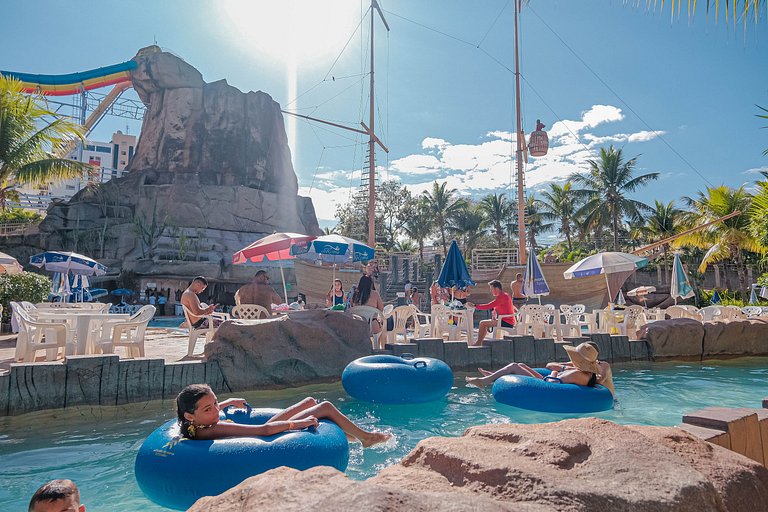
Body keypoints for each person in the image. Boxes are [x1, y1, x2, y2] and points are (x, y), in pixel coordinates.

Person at [176, 383, 390, 447]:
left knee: (309, 402)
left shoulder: (196, 423)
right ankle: (366, 438)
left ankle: (353, 437)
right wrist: (297, 423)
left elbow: (210, 409)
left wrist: (228, 402)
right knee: (323, 407)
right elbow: (264, 430)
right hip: (261, 440)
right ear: (189, 415)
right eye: (209, 408)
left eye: (215, 403)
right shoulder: (214, 428)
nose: (215, 410)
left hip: (258, 435)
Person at [465, 342, 602, 388]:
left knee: (514, 366)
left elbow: (552, 381)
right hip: (550, 381)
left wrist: (555, 373)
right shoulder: (586, 373)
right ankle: (493, 377)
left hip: (547, 385)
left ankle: (484, 381)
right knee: (521, 364)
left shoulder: (577, 373)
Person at [467, 280, 515, 347]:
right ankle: (480, 342)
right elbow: (496, 307)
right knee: (484, 324)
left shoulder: (502, 297)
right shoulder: (503, 295)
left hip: (506, 322)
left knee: (482, 323)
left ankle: (479, 342)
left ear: (497, 288)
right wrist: (494, 315)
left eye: (491, 289)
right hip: (505, 320)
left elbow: (489, 306)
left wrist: (475, 305)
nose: (490, 291)